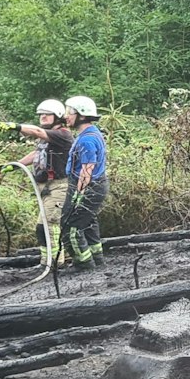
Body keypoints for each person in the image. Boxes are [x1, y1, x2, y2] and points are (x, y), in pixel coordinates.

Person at [0, 99, 74, 252]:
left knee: (48, 226)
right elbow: (37, 153)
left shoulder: (62, 135)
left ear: (58, 116)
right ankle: (46, 262)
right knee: (42, 228)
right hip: (45, 187)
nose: (42, 117)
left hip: (59, 187)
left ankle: (53, 264)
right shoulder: (46, 138)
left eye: (47, 115)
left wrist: (17, 126)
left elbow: (36, 131)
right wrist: (14, 165)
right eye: (40, 115)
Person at [58, 95, 109, 269]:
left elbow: (86, 171)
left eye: (69, 112)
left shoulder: (87, 140)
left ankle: (83, 264)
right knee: (87, 223)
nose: (66, 116)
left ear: (81, 115)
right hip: (94, 186)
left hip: (88, 187)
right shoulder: (90, 134)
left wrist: (77, 196)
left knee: (70, 227)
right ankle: (98, 260)